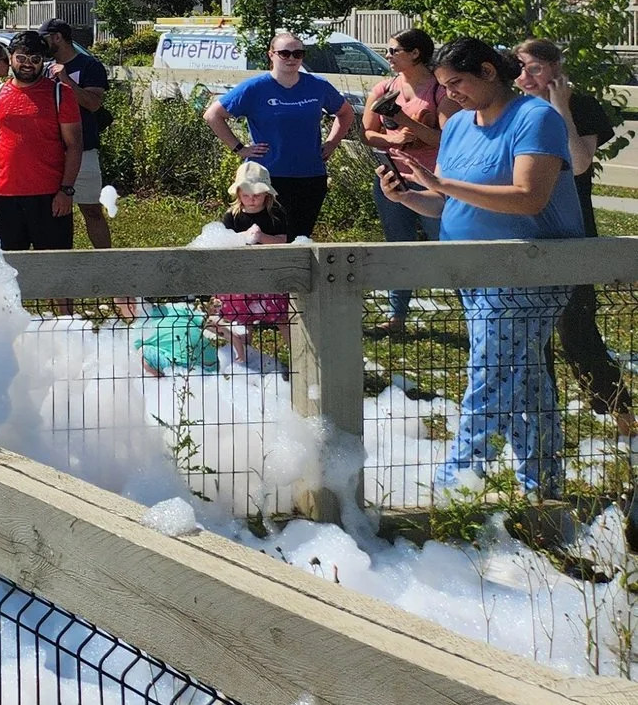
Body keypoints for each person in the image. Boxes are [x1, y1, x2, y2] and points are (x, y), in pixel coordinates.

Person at [379, 37, 585, 495]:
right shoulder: (456, 126)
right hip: (472, 272)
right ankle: (544, 485)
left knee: (488, 379)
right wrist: (408, 196)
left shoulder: (535, 117)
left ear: (489, 72)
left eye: (457, 83)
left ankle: (455, 487)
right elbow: (443, 203)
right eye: (444, 85)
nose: (449, 93)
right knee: (524, 381)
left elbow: (530, 196)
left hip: (527, 271)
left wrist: (443, 183)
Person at [519, 38, 625, 420]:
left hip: (573, 224)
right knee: (532, 332)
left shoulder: (581, 105)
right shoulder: (515, 109)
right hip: (526, 224)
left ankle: (616, 409)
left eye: (534, 68)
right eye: (520, 68)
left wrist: (560, 108)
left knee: (576, 324)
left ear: (556, 68)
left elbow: (579, 163)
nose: (525, 77)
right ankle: (545, 416)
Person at [204, 33, 357, 240]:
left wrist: (331, 143)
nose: (291, 58)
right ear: (271, 55)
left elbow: (346, 113)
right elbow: (213, 115)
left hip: (310, 175)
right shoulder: (255, 87)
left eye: (298, 53)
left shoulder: (318, 86)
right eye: (284, 53)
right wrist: (239, 148)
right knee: (266, 237)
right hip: (267, 178)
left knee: (301, 238)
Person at [361, 28, 444, 334]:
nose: (388, 56)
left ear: (415, 53)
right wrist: (393, 136)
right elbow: (368, 134)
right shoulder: (384, 88)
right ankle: (396, 317)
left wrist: (409, 125)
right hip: (391, 179)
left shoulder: (440, 90)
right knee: (397, 246)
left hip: (433, 182)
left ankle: (474, 311)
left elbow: (447, 137)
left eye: (394, 50)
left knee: (447, 245)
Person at [0, 31, 82, 252]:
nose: (28, 65)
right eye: (21, 58)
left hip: (51, 197)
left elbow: (74, 145)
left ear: (43, 61)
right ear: (11, 57)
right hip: (5, 196)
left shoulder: (60, 93)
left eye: (35, 60)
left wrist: (66, 190)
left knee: (55, 271)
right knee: (10, 272)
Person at [213, 161, 292, 369]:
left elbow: (283, 240)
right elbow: (224, 241)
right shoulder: (232, 216)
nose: (252, 199)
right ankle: (246, 360)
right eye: (246, 195)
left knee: (281, 317)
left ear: (267, 194)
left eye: (257, 194)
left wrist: (262, 237)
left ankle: (298, 353)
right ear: (238, 194)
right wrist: (242, 237)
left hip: (269, 276)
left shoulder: (276, 214)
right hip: (241, 277)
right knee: (242, 320)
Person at [42, 20, 113, 250]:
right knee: (55, 212)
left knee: (91, 210)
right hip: (52, 151)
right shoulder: (44, 68)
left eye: (45, 38)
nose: (42, 44)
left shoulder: (90, 66)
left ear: (57, 37)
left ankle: (108, 263)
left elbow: (93, 104)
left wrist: (66, 80)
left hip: (84, 150)